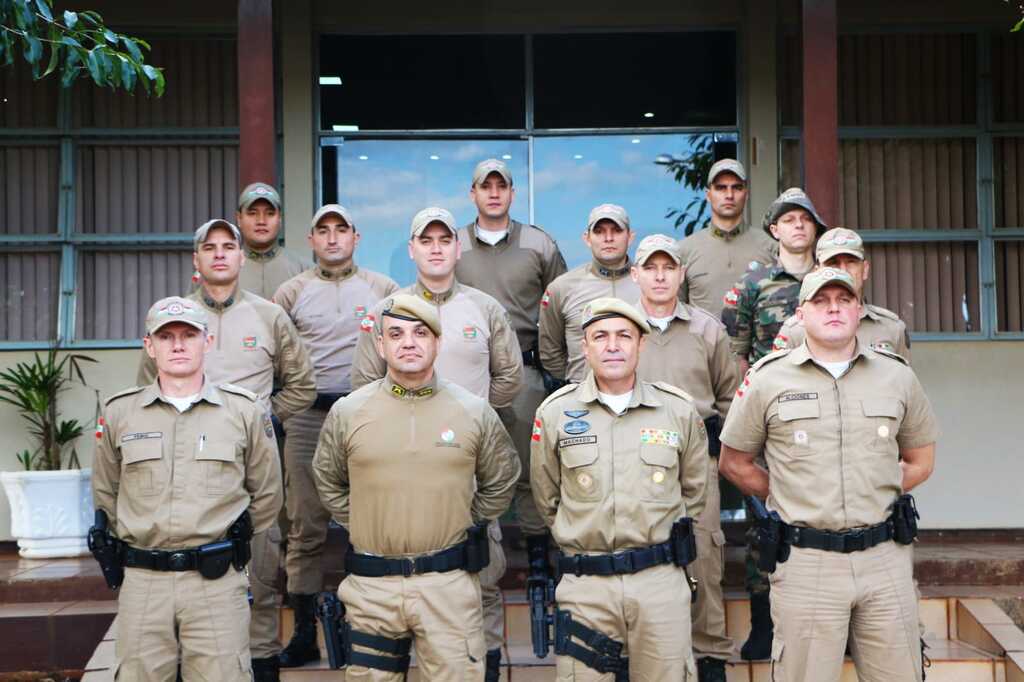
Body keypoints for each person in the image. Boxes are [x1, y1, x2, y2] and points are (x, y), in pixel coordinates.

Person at [719, 267, 939, 682]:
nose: (833, 309)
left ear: (859, 310)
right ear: (801, 314)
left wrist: (869, 491)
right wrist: (786, 493)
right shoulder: (768, 379)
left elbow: (921, 460)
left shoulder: (896, 376)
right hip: (807, 562)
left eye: (843, 300)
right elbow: (733, 462)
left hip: (884, 558)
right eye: (820, 301)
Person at [138, 219, 316, 681]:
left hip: (249, 464)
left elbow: (302, 383)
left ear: (241, 258)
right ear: (196, 262)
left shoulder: (269, 316)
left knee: (258, 562)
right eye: (209, 248)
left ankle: (260, 659)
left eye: (228, 247)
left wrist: (263, 420)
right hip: (185, 469)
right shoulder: (171, 321)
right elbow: (146, 391)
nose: (219, 254)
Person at [351, 206, 523, 679]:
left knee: (482, 574)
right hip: (398, 469)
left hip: (462, 465)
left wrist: (474, 412)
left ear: (457, 248)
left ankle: (482, 662)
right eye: (425, 241)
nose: (435, 248)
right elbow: (363, 384)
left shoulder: (485, 308)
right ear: (412, 250)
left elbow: (509, 376)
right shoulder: (386, 312)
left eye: (444, 240)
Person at [313, 293, 520, 681]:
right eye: (396, 334)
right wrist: (365, 520)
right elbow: (328, 481)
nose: (409, 342)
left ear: (437, 343)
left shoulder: (473, 411)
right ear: (381, 345)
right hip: (372, 588)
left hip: (448, 587)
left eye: (420, 333)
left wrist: (462, 518)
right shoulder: (348, 412)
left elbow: (502, 480)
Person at [92, 296, 282, 681]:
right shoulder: (119, 413)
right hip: (143, 581)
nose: (178, 345)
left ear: (206, 342)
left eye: (188, 335)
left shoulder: (243, 411)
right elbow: (106, 494)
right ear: (149, 346)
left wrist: (231, 540)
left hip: (215, 581)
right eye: (166, 337)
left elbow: (267, 493)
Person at [532, 297, 709, 681]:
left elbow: (694, 492)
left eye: (624, 336)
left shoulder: (676, 410)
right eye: (601, 336)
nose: (613, 346)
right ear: (585, 346)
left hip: (659, 581)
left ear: (641, 344)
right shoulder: (555, 413)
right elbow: (546, 498)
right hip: (586, 587)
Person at [271, 204, 399, 667]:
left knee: (370, 524)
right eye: (322, 231)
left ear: (355, 237)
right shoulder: (291, 292)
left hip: (365, 415)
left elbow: (405, 346)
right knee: (305, 526)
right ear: (311, 241)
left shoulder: (383, 289)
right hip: (307, 417)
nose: (331, 238)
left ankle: (371, 626)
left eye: (340, 230)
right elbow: (275, 357)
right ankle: (304, 631)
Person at [454, 158, 568, 622]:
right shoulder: (453, 243)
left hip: (524, 369)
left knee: (528, 470)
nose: (494, 193)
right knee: (469, 466)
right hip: (466, 372)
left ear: (512, 194)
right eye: (486, 186)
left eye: (502, 186)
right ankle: (477, 559)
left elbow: (559, 306)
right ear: (473, 193)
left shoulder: (539, 243)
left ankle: (537, 560)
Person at [720, 187, 826, 660]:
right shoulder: (754, 284)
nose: (798, 225)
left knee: (826, 517)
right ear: (774, 230)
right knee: (765, 524)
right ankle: (763, 622)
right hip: (771, 420)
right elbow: (737, 354)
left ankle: (831, 621)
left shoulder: (832, 282)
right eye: (788, 219)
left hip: (825, 419)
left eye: (805, 218)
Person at [630, 234, 741, 682]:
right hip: (631, 462)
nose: (659, 276)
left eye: (668, 267)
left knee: (703, 557)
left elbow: (732, 399)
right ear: (635, 273)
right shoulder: (617, 326)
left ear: (680, 274)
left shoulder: (706, 328)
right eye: (650, 268)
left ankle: (710, 655)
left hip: (695, 460)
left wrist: (721, 457)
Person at [538, 204, 640, 384]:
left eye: (616, 231)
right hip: (582, 400)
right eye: (599, 232)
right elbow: (550, 353)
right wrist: (580, 380)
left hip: (642, 397)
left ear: (630, 237)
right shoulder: (562, 288)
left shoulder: (648, 283)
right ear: (587, 238)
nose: (608, 238)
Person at [774, 227, 910, 359]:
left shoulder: (892, 328)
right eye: (833, 263)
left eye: (851, 262)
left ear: (865, 269)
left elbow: (901, 380)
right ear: (817, 271)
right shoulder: (795, 331)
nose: (843, 270)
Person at [677, 159, 777, 318]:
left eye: (737, 188)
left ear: (747, 194)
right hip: (703, 343)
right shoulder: (684, 251)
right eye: (721, 188)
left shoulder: (771, 247)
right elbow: (676, 311)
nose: (729, 195)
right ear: (708, 195)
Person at [234, 182, 308, 300]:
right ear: (239, 218)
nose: (261, 221)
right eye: (252, 213)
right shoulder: (223, 268)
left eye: (270, 213)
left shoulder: (304, 270)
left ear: (279, 219)